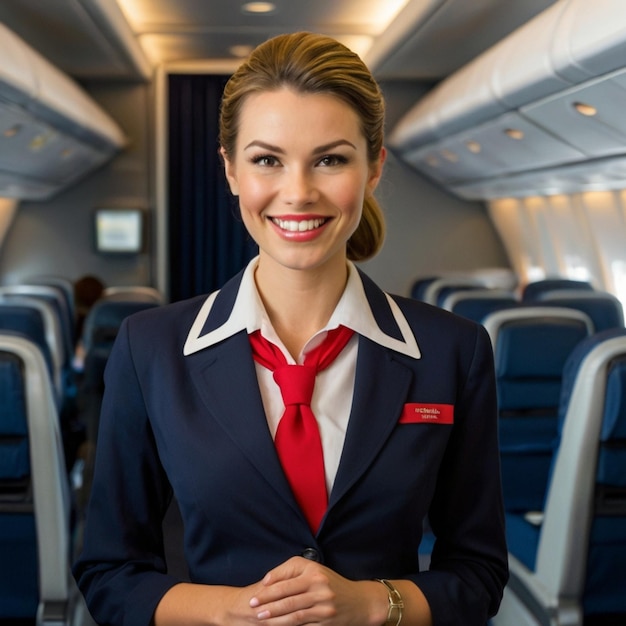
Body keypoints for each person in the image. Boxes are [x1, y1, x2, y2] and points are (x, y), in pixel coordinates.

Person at [73, 31, 508, 626]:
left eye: (330, 159)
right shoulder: (151, 350)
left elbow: (479, 573)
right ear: (230, 170)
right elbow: (109, 572)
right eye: (267, 160)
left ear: (374, 167)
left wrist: (374, 603)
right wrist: (234, 611)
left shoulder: (451, 352)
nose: (298, 193)